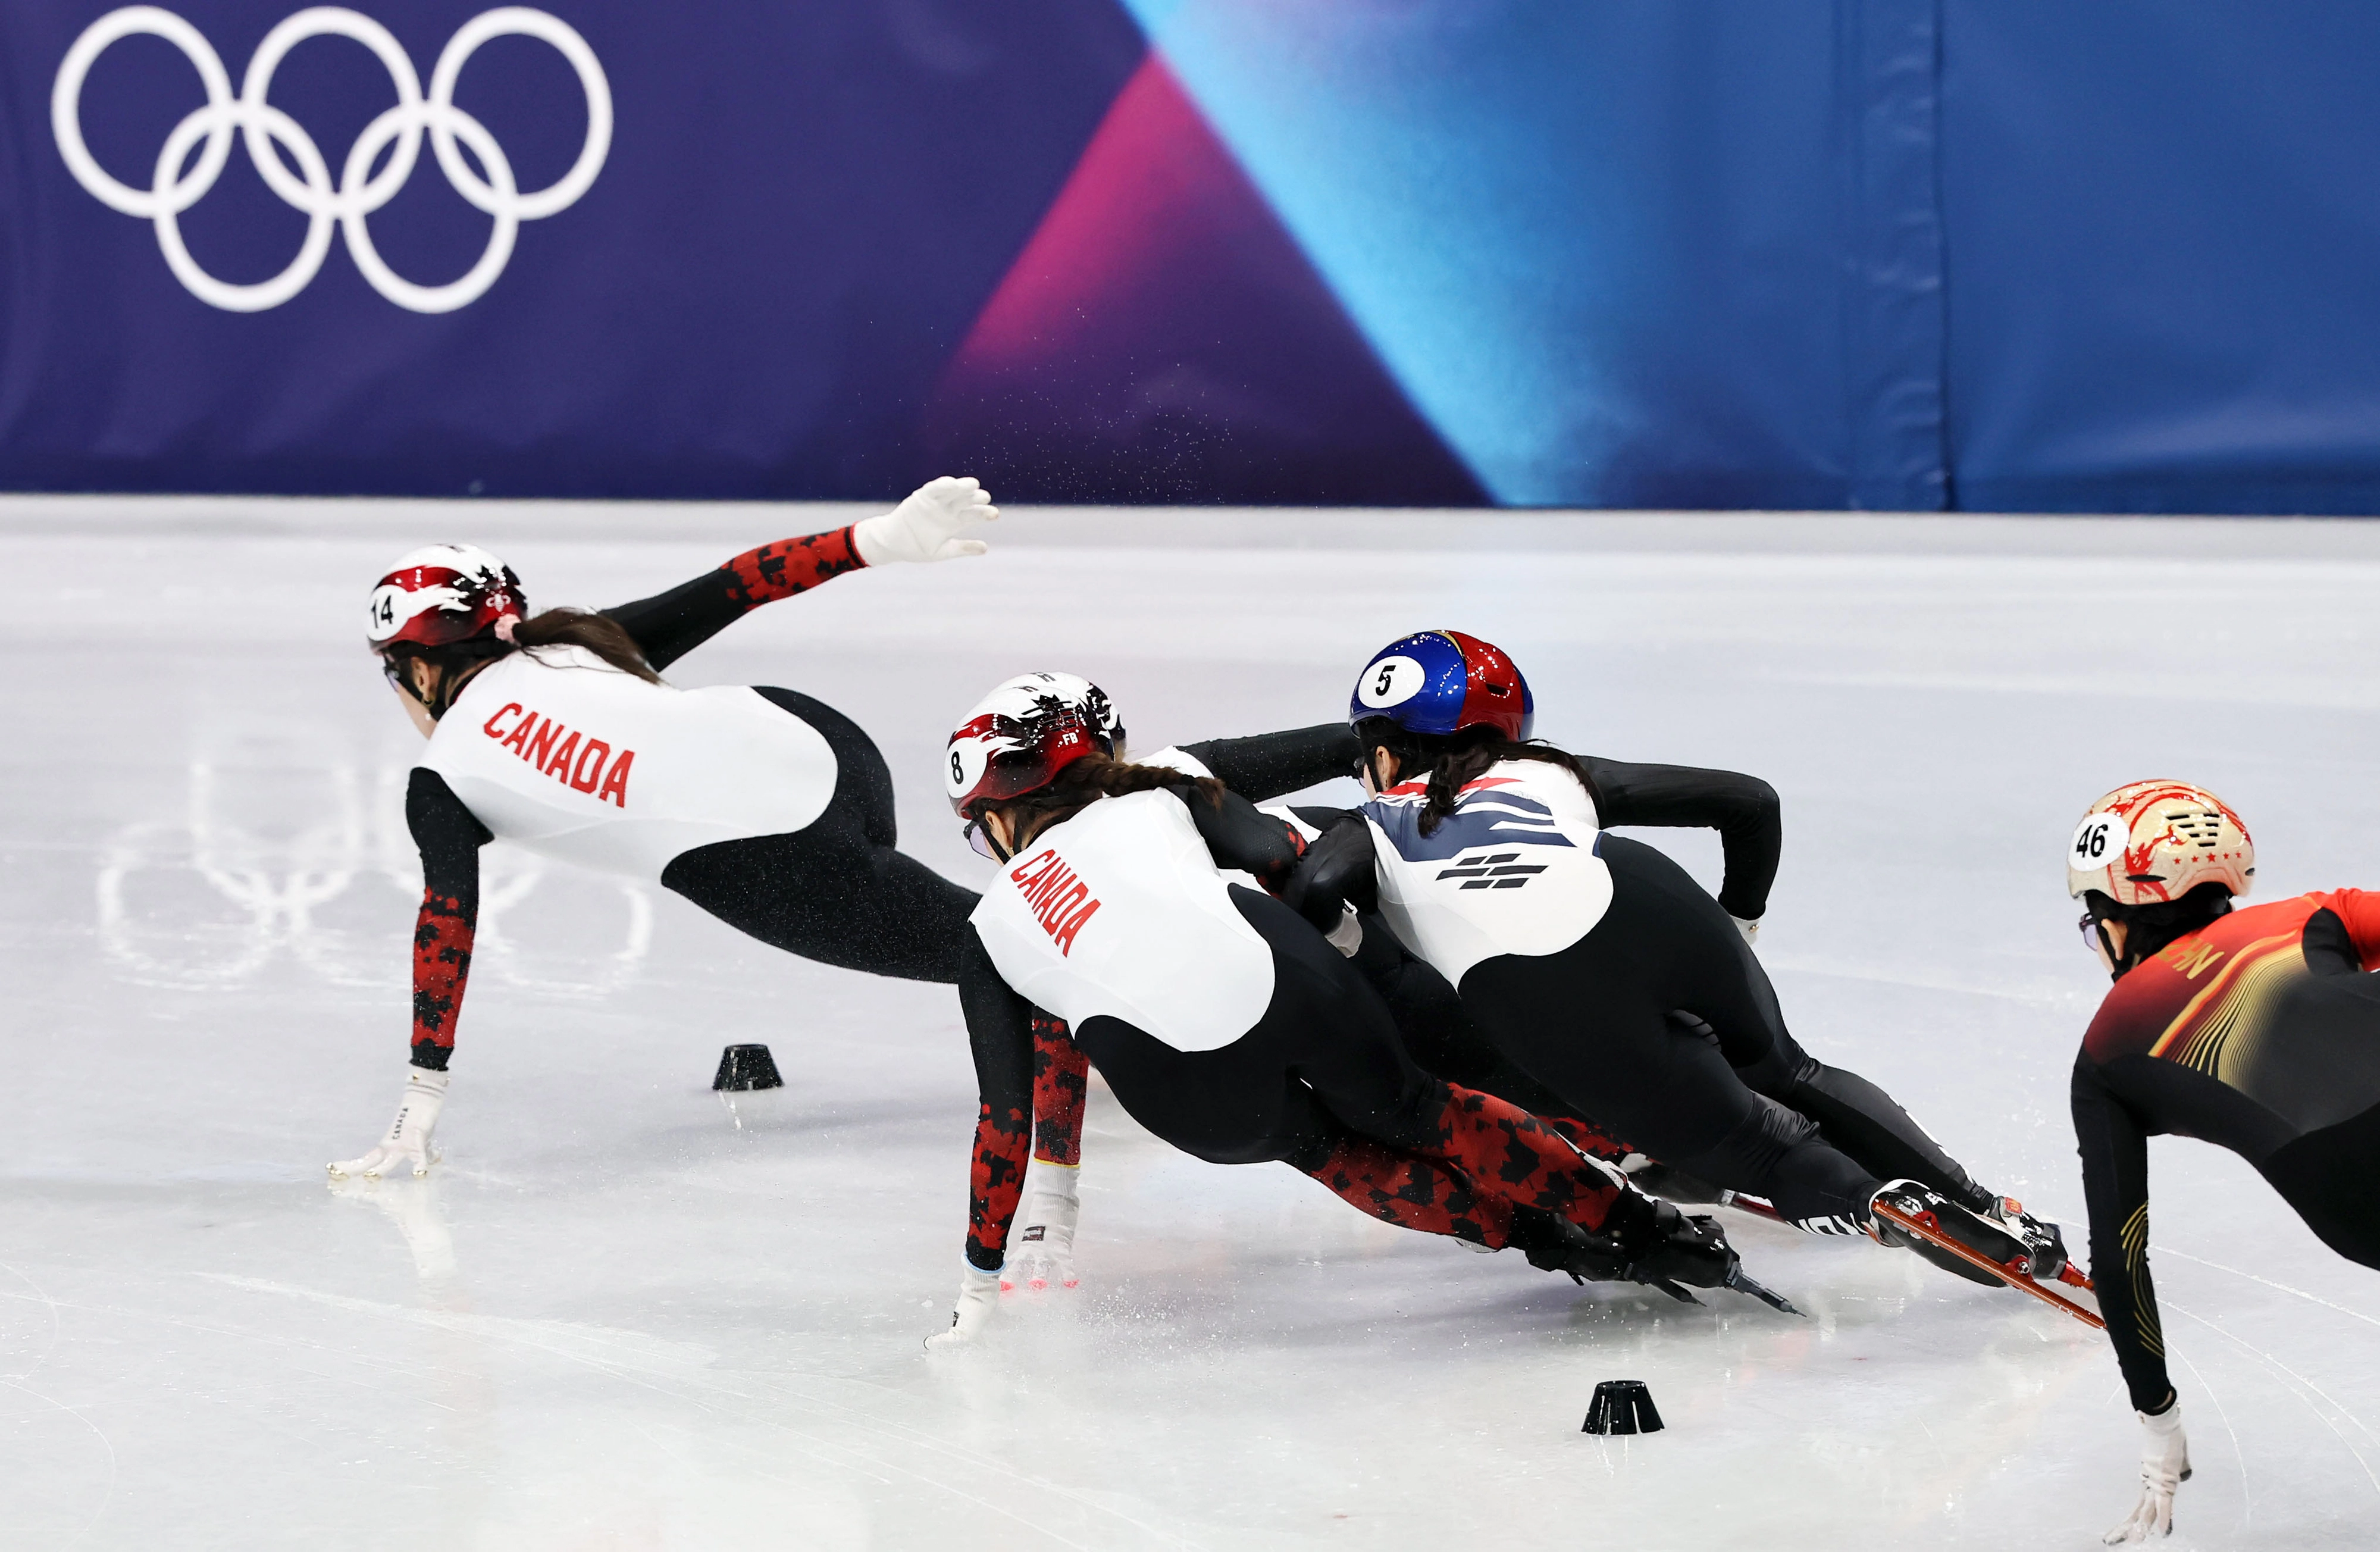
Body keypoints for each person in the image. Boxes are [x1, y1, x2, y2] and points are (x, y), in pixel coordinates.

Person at [926, 671, 1755, 1345]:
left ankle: (1544, 1241)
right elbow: (1289, 845)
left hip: (1184, 1093)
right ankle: (1643, 1223)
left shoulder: (988, 925)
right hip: (1295, 981)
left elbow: (1007, 1117)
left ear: (996, 814)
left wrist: (982, 1279)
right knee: (1431, 1106)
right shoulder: (1163, 788)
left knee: (1327, 1153)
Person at [1285, 629, 2053, 1286]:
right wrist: (1739, 923)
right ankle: (1982, 1204)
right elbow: (1749, 802)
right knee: (1791, 1071)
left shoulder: (1374, 822)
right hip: (1645, 899)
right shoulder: (1549, 771)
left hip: (1529, 983)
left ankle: (1882, 1208)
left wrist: (1348, 941)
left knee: (1755, 1146)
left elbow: (1318, 883)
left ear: (1385, 754)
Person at [330, 478, 1000, 1178]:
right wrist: (876, 541)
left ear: (419, 667)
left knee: (1002, 959)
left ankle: (1087, 1013)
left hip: (774, 854)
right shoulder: (572, 641)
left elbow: (447, 922)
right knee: (1003, 934)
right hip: (822, 741)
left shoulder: (442, 776)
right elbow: (737, 585)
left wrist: (421, 1093)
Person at [2066, 780, 2380, 1543]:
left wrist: (2158, 1416)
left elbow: (2119, 1255)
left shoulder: (2109, 1046)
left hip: (2358, 1193)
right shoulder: (2315, 914)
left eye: (2093, 921)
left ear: (2120, 912)